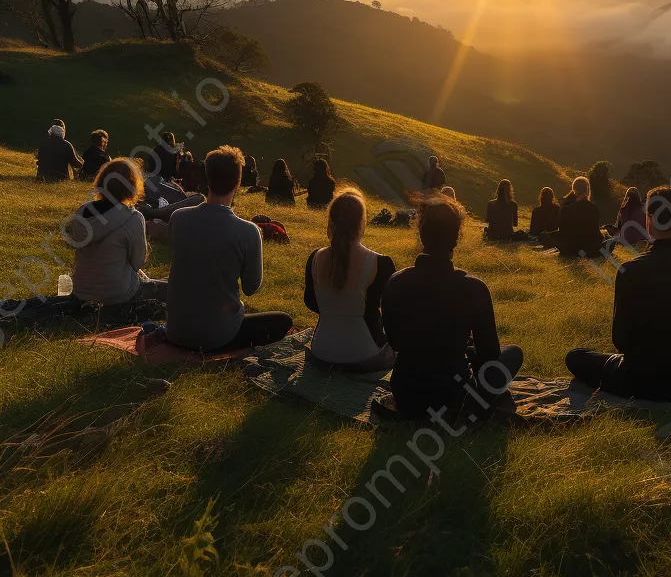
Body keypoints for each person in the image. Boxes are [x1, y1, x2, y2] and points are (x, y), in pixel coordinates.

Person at [565, 186, 671, 401]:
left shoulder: (629, 270)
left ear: (649, 220)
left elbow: (620, 338)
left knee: (575, 357)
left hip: (641, 377)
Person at [381, 197, 523, 419]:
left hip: (406, 393)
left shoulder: (396, 282)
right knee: (513, 354)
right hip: (453, 396)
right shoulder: (474, 288)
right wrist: (463, 350)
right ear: (456, 239)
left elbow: (395, 342)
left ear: (421, 234)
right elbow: (490, 356)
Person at [166, 145, 292, 351]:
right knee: (283, 321)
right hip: (219, 336)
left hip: (176, 331)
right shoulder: (248, 231)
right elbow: (251, 288)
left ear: (207, 177)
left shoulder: (178, 218)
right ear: (238, 182)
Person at [304, 187, 397, 369]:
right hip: (364, 355)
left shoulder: (315, 258)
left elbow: (311, 302)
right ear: (361, 222)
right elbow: (389, 316)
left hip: (321, 351)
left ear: (331, 220)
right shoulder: (380, 263)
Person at [64, 158, 168, 305]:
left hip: (82, 292)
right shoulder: (133, 217)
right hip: (118, 294)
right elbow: (138, 262)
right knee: (175, 288)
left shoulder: (82, 212)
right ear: (132, 186)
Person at [552, 176, 604, 257]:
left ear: (574, 190)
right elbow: (594, 231)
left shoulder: (565, 210)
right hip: (588, 249)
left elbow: (562, 231)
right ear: (587, 190)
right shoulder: (593, 208)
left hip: (570, 249)